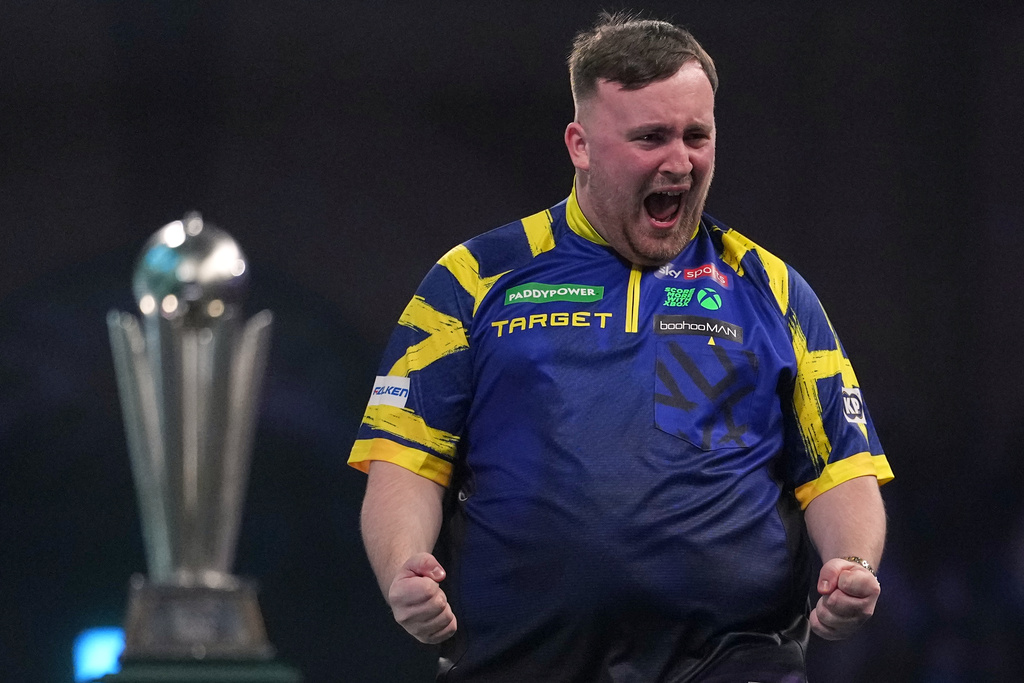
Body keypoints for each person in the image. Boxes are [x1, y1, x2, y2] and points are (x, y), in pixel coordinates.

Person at [349, 11, 893, 682]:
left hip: (732, 662)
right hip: (517, 662)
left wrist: (853, 565)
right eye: (650, 137)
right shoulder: (471, 280)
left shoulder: (772, 289)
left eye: (698, 135)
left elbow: (842, 470)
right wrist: (404, 564)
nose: (680, 161)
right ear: (580, 144)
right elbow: (403, 460)